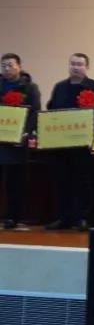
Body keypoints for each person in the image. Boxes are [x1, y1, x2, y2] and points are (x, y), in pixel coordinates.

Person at [44, 53, 94, 231]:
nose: (76, 67)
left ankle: (82, 218)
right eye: (73, 64)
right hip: (60, 144)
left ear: (87, 67)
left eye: (80, 64)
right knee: (61, 180)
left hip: (83, 144)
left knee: (83, 182)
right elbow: (52, 110)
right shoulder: (59, 87)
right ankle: (63, 217)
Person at [0, 53, 41, 229]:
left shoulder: (30, 88)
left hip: (18, 142)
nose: (7, 69)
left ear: (19, 66)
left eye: (10, 65)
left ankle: (13, 217)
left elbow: (34, 112)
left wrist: (26, 133)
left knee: (15, 181)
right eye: (4, 66)